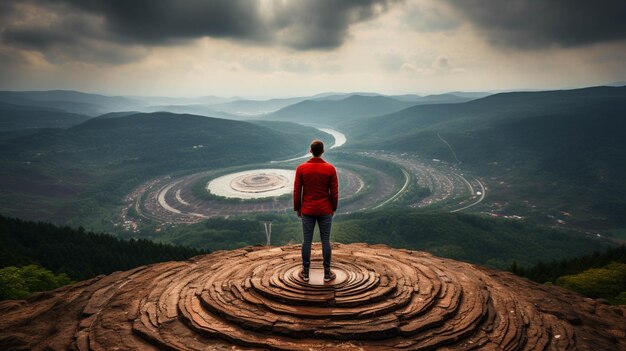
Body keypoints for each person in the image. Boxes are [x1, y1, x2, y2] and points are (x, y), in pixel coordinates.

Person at [293, 140, 339, 282]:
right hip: (325, 209)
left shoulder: (301, 168)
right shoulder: (330, 168)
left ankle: (306, 273)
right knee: (326, 241)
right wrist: (333, 208)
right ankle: (327, 273)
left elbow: (296, 191)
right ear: (323, 151)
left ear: (310, 150)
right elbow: (335, 192)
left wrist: (297, 208)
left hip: (307, 209)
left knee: (307, 241)